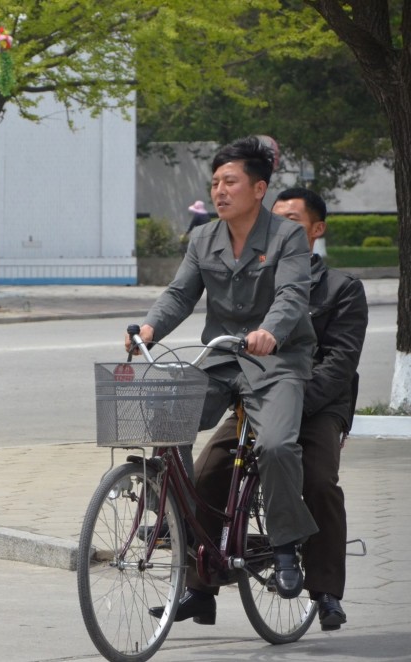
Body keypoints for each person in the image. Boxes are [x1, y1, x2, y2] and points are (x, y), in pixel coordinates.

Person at [127, 136, 319, 606]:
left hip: (276, 359)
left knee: (276, 445)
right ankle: (180, 522)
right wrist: (149, 328)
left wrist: (271, 330)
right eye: (214, 182)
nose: (220, 190)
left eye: (230, 181)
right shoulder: (203, 237)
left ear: (259, 188)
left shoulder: (286, 236)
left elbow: (293, 295)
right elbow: (179, 294)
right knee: (167, 415)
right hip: (220, 357)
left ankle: (286, 544)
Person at [175, 188, 368, 630]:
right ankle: (200, 586)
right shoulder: (261, 275)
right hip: (259, 394)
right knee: (207, 474)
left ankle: (325, 591)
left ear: (316, 231)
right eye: (274, 220)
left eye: (293, 222)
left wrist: (290, 404)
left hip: (317, 406)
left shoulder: (342, 289)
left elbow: (340, 363)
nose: (280, 230)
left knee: (318, 481)